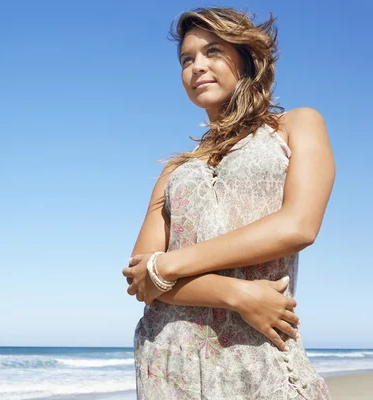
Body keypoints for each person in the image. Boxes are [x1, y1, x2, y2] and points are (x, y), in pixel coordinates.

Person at [121, 7, 334, 399]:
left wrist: (169, 264)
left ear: (246, 57)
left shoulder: (297, 126)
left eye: (213, 51)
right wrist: (238, 295)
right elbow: (140, 278)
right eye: (187, 59)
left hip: (257, 358)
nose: (197, 66)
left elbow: (298, 225)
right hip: (169, 362)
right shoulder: (175, 170)